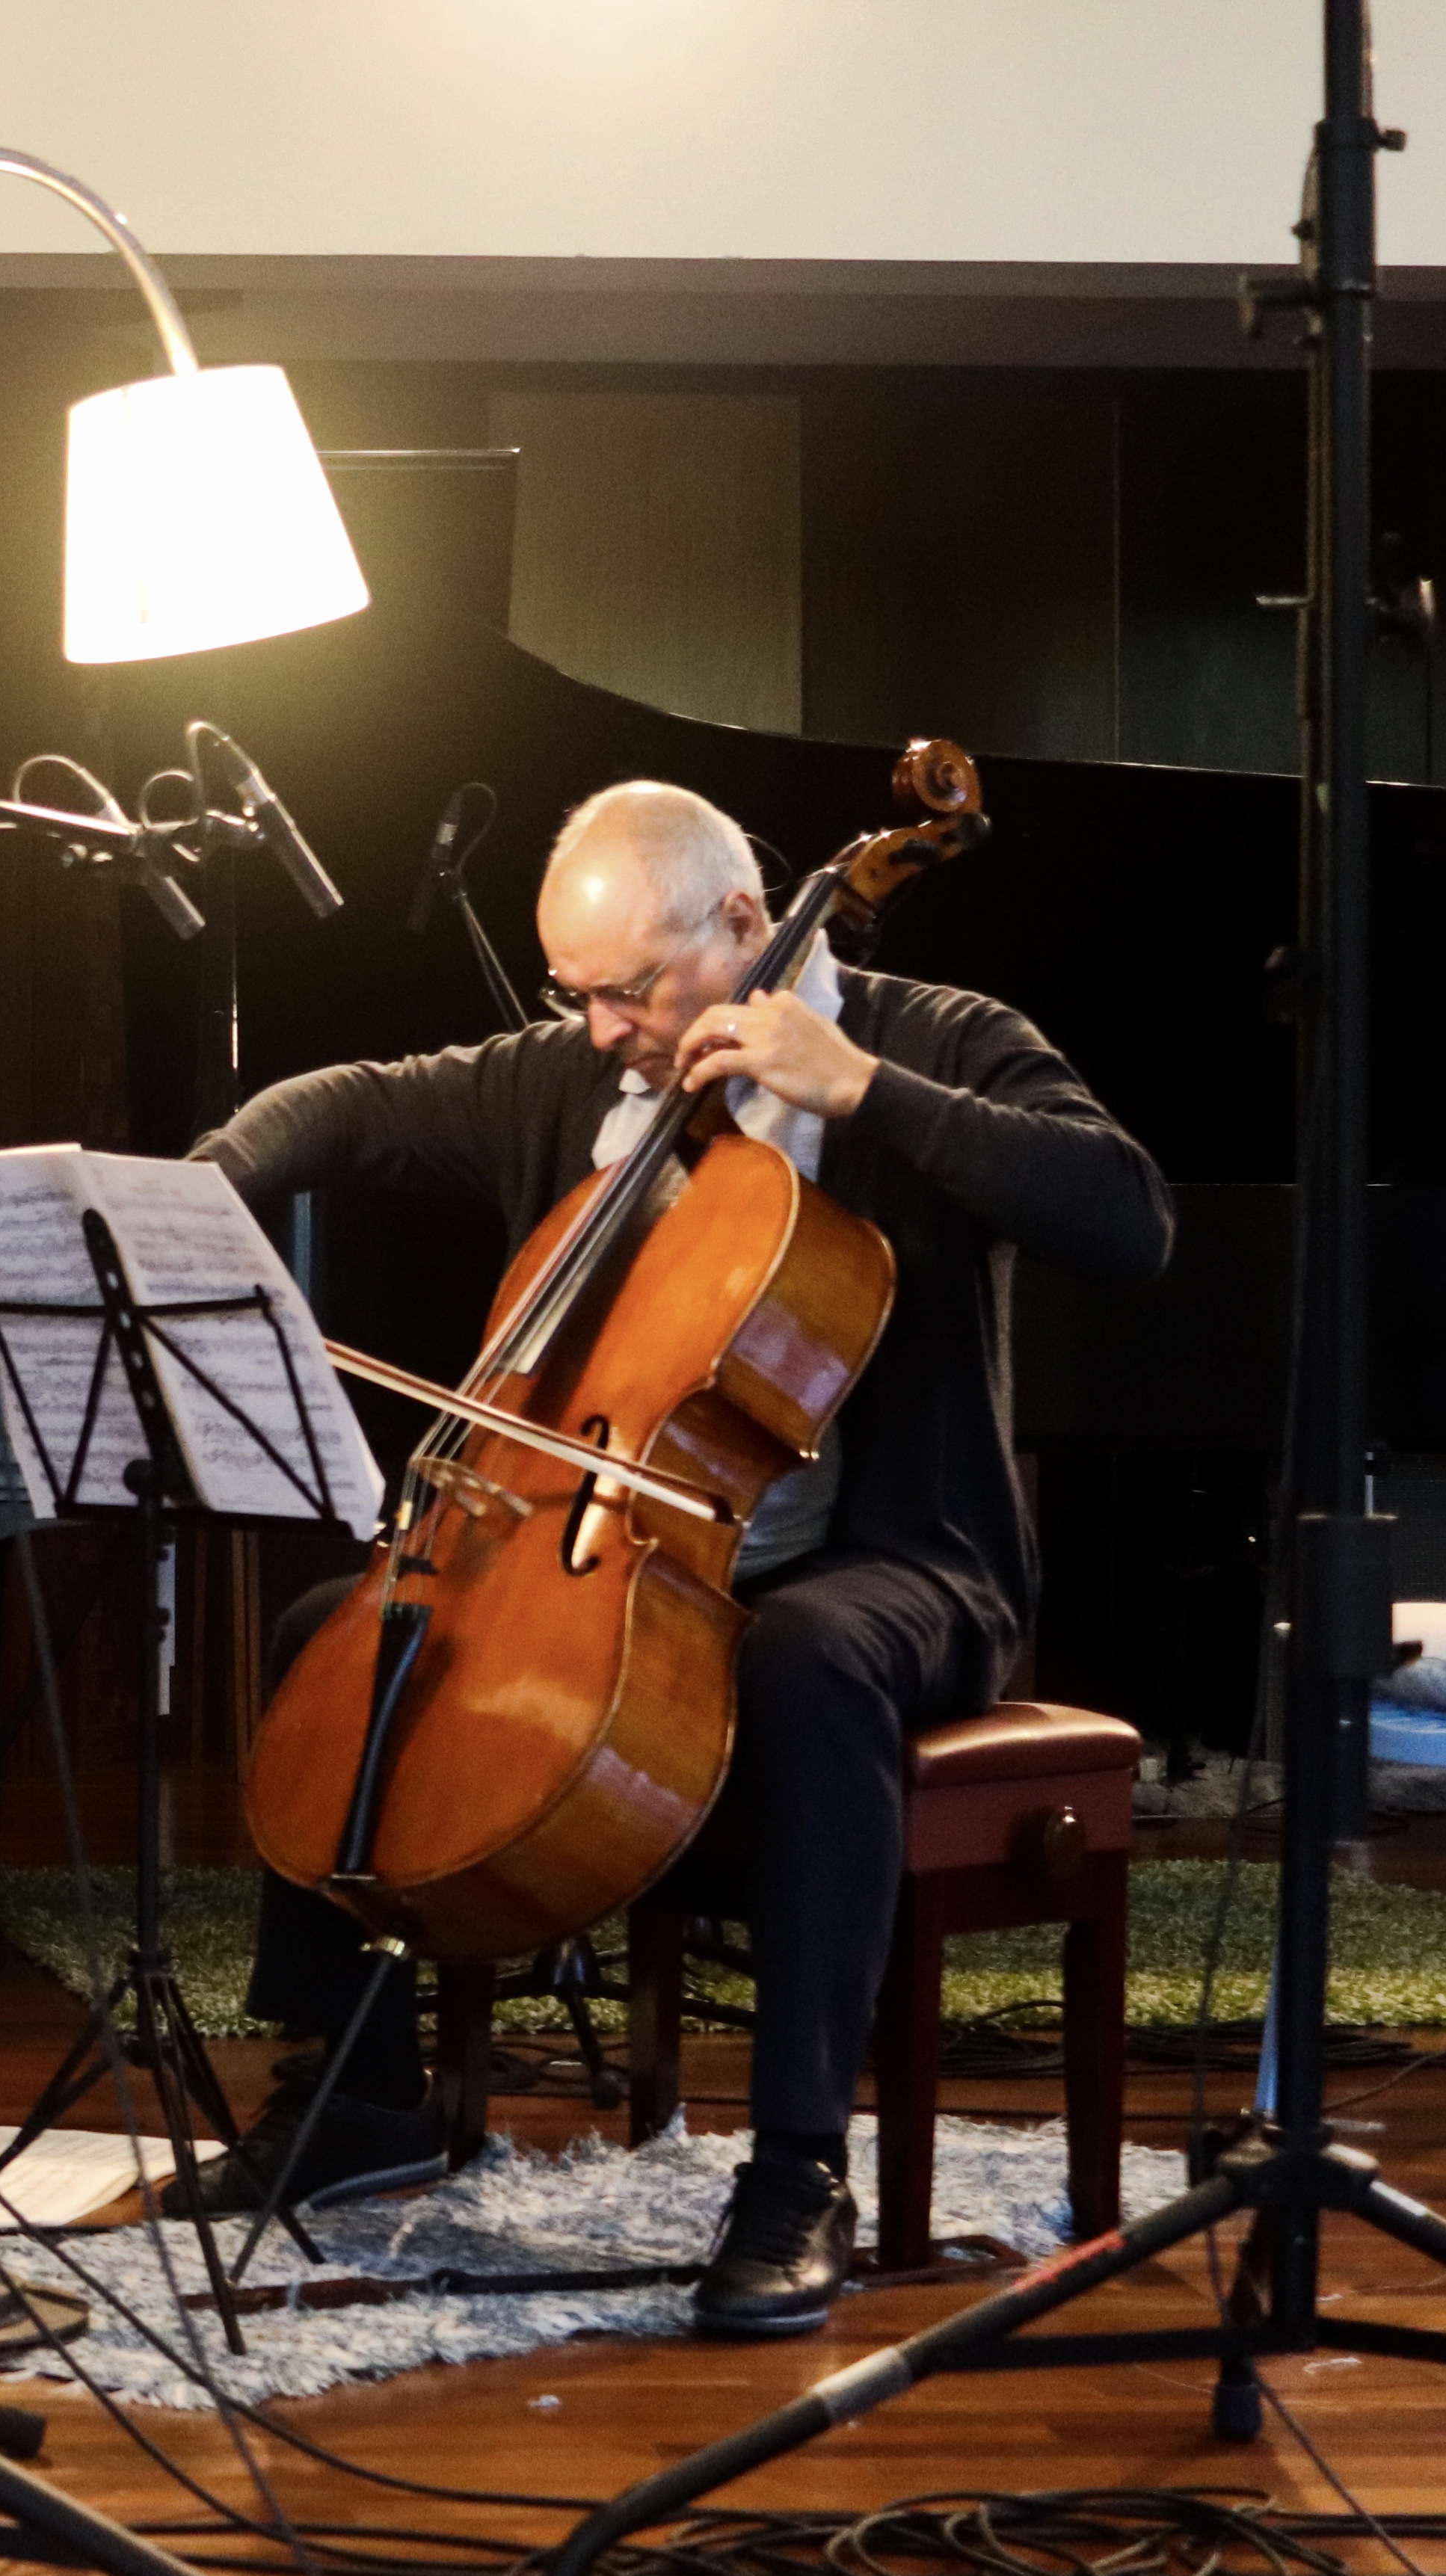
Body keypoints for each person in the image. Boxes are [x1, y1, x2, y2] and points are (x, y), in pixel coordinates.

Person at [178, 777, 1172, 2335]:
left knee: (805, 1655)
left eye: (630, 989)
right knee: (344, 1621)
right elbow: (354, 1101)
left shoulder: (934, 1036)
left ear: (741, 924)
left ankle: (796, 2171)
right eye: (577, 992)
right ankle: (356, 2093)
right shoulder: (569, 1079)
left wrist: (862, 1092)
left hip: (897, 1560)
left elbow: (1130, 1216)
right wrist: (214, 1177)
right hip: (626, 1547)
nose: (599, 1029)